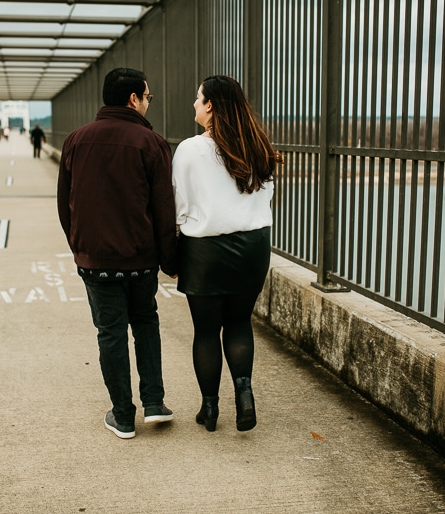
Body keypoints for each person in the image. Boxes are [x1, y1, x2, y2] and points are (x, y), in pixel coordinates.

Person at [57, 68, 178, 440]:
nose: (147, 102)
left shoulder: (76, 140)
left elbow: (65, 204)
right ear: (133, 99)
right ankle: (154, 404)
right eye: (147, 97)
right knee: (146, 324)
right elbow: (163, 209)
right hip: (140, 260)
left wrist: (81, 248)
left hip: (96, 262)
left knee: (110, 334)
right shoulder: (152, 143)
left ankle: (123, 416)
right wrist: (169, 261)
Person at [172, 75, 282, 432]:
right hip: (253, 247)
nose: (193, 103)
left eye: (197, 97)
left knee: (206, 332)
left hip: (205, 249)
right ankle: (245, 395)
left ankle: (210, 408)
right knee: (239, 323)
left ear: (211, 106)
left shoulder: (190, 149)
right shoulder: (259, 146)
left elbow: (180, 202)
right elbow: (265, 196)